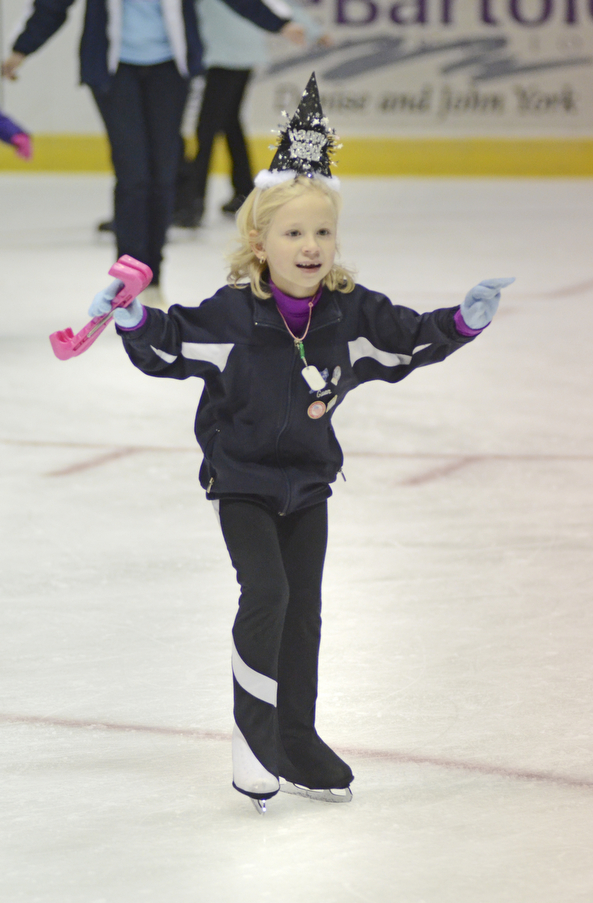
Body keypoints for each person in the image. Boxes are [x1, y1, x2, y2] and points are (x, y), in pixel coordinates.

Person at [87, 73, 515, 814]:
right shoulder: (232, 313)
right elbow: (172, 344)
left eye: (321, 232)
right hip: (244, 479)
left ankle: (297, 736)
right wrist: (131, 320)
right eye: (293, 232)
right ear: (259, 241)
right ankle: (254, 747)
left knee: (306, 607)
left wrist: (460, 322)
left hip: (308, 483)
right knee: (269, 592)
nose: (310, 245)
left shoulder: (347, 311)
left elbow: (404, 342)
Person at [1, 0, 304, 307]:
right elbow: (51, 5)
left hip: (170, 70)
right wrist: (20, 49)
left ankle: (153, 277)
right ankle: (128, 280)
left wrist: (280, 22)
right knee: (134, 175)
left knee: (162, 175)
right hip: (113, 70)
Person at [173, 0, 330, 228]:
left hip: (225, 53)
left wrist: (313, 30)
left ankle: (191, 204)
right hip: (238, 51)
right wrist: (314, 29)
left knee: (207, 129)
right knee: (229, 123)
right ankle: (243, 191)